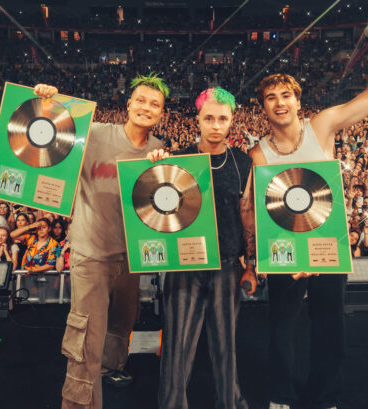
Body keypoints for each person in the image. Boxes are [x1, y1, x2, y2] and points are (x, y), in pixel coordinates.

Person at [248, 20, 368, 409]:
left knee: (331, 326)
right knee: (281, 327)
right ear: (263, 108)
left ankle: (324, 396)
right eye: (271, 98)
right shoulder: (259, 153)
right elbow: (262, 212)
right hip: (285, 249)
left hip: (328, 243)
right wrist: (280, 257)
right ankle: (280, 396)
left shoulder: (321, 126)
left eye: (286, 95)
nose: (279, 102)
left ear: (298, 101)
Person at [34, 73, 168, 409]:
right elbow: (51, 137)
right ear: (128, 104)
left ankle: (112, 368)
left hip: (131, 256)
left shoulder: (158, 150)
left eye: (154, 104)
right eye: (141, 100)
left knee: (122, 323)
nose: (146, 107)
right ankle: (78, 404)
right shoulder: (93, 133)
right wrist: (48, 103)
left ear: (162, 113)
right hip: (91, 254)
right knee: (86, 338)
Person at [153, 87, 255, 409]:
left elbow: (247, 215)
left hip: (227, 264)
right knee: (177, 344)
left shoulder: (242, 162)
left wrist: (251, 265)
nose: (215, 125)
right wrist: (153, 167)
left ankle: (230, 402)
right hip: (185, 265)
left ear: (232, 120)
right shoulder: (178, 159)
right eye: (209, 118)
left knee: (226, 344)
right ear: (197, 119)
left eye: (222, 119)